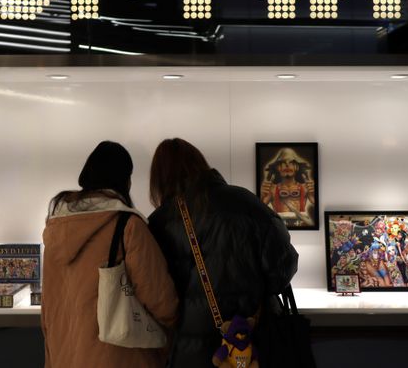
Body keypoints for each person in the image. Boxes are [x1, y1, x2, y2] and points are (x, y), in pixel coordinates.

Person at [148, 138, 299, 368]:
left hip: (191, 351)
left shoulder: (160, 223)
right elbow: (283, 267)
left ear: (159, 179)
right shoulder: (247, 203)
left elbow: (158, 296)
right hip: (255, 344)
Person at [41, 141, 179, 368]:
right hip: (119, 357)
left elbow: (48, 309)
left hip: (64, 356)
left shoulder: (55, 228)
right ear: (124, 180)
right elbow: (162, 302)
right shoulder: (127, 225)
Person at [259, 147, 316, 228]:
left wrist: (313, 194)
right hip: (279, 227)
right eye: (283, 162)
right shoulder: (272, 189)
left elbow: (317, 207)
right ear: (278, 167)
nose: (287, 165)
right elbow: (259, 210)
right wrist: (262, 196)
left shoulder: (305, 187)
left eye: (291, 162)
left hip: (301, 224)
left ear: (297, 166)